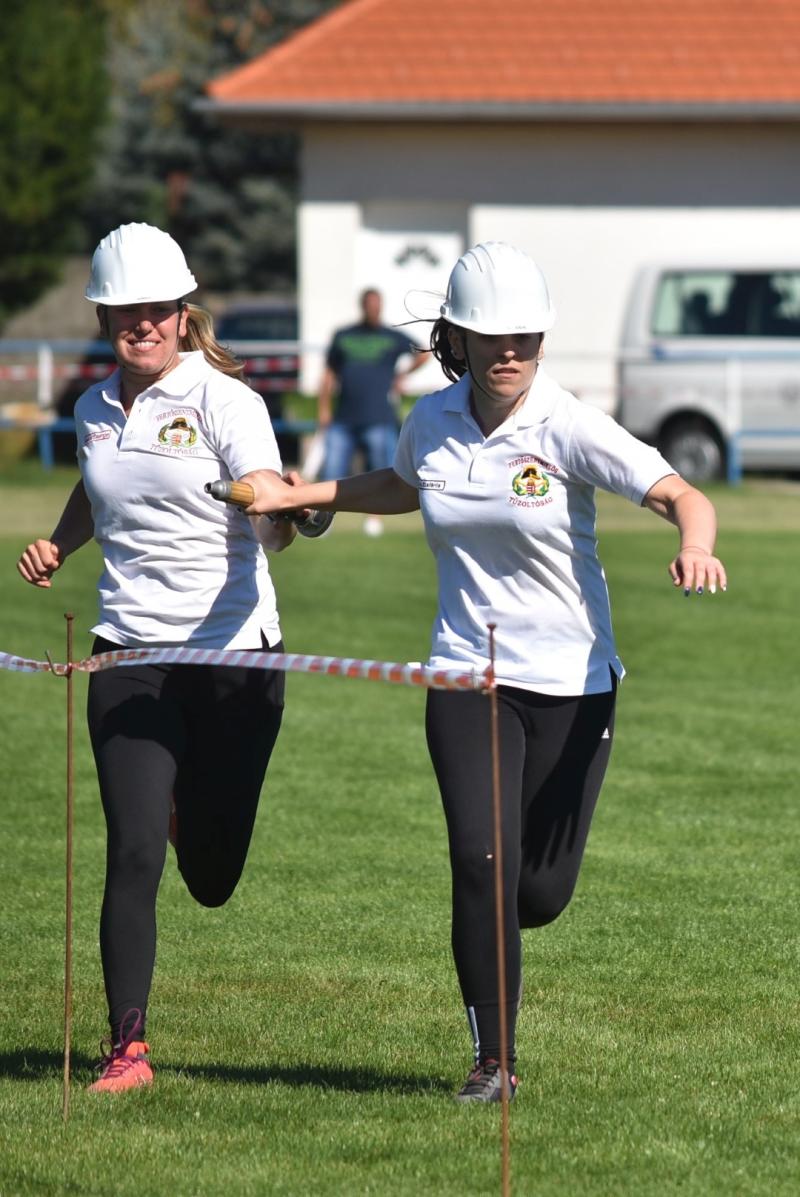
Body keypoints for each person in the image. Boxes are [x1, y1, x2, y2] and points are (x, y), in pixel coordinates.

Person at [236, 241, 727, 1103]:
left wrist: (697, 545)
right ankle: (493, 1060)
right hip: (466, 673)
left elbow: (683, 494)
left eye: (524, 336)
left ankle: (513, 934)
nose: (509, 351)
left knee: (537, 892)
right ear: (457, 337)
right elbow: (404, 484)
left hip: (574, 684)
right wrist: (304, 497)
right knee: (479, 859)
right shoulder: (431, 419)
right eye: (491, 335)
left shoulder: (569, 424)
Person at [17, 223, 299, 1094]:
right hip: (128, 654)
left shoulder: (226, 400)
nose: (141, 323)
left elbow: (269, 498)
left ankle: (191, 810)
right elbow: (97, 484)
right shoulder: (93, 409)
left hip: (234, 657)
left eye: (156, 309)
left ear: (182, 313)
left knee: (210, 876)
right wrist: (62, 542)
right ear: (105, 318)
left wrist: (283, 514)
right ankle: (127, 1049)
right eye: (124, 311)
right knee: (133, 849)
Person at [317, 287, 429, 534]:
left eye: (377, 305)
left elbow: (424, 353)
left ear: (381, 306)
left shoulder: (392, 337)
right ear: (362, 306)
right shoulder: (343, 335)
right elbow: (328, 373)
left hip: (379, 416)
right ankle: (324, 521)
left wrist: (403, 375)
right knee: (332, 471)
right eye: (369, 304)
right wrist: (323, 408)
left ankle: (374, 519)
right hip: (344, 416)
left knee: (380, 471)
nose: (373, 309)